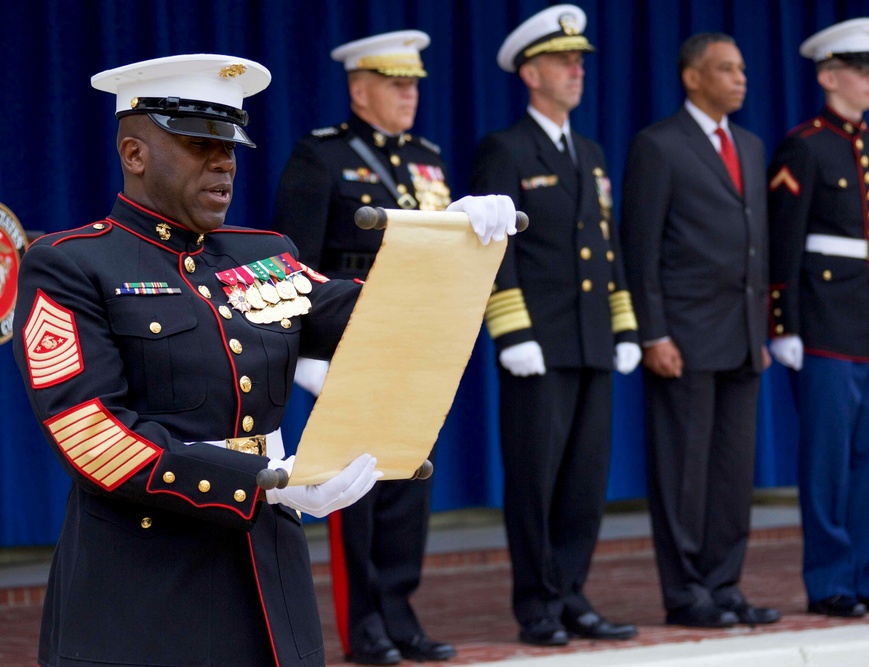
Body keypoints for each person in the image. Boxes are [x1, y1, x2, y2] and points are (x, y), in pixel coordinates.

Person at [12, 53, 515, 667]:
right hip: (143, 586)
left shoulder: (264, 253)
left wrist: (453, 252)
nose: (223, 160)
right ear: (134, 154)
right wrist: (264, 484)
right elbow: (92, 436)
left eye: (230, 145)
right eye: (199, 143)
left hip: (266, 573)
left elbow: (385, 324)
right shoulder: (72, 264)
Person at [272, 31, 456, 665]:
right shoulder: (320, 157)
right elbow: (290, 263)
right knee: (359, 488)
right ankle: (365, 624)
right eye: (396, 83)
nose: (410, 95)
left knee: (409, 480)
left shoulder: (427, 158)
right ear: (360, 88)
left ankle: (401, 612)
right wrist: (308, 357)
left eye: (414, 85)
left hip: (417, 343)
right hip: (349, 343)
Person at [469, 4, 642, 647]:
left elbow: (608, 244)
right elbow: (492, 247)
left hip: (592, 338)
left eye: (581, 62)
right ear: (531, 73)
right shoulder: (506, 149)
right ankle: (538, 604)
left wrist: (623, 325)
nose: (577, 71)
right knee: (537, 479)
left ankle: (572, 592)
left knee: (585, 481)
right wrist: (511, 332)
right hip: (538, 342)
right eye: (564, 62)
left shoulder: (590, 152)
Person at [619, 33, 779, 629]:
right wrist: (652, 333)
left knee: (733, 472)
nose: (740, 78)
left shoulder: (751, 145)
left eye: (742, 68)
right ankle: (687, 593)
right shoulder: (659, 146)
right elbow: (641, 250)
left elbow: (755, 244)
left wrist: (759, 326)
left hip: (741, 335)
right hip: (682, 338)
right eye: (726, 69)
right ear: (692, 77)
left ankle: (725, 584)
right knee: (682, 474)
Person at [767, 17, 869, 619]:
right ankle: (829, 580)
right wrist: (784, 324)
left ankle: (862, 574)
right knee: (826, 459)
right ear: (829, 75)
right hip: (824, 323)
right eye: (862, 69)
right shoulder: (804, 145)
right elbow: (785, 242)